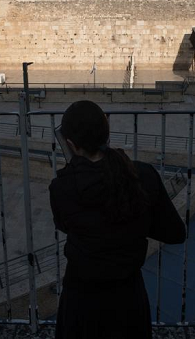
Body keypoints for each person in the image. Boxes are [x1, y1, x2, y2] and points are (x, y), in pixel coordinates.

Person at [49, 100, 186, 339]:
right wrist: (136, 221)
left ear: (70, 144)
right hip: (127, 299)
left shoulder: (62, 187)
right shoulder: (142, 175)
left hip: (81, 301)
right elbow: (175, 233)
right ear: (107, 134)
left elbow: (64, 225)